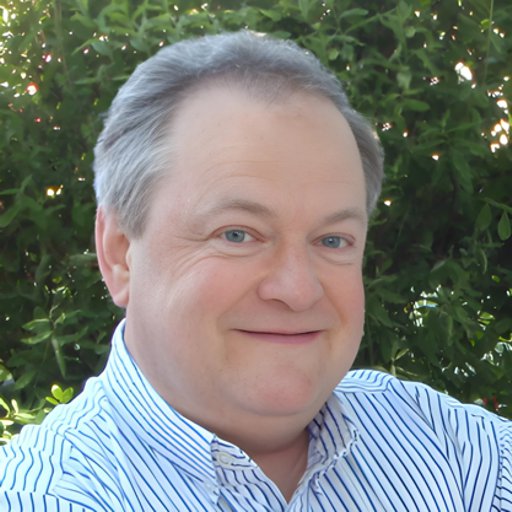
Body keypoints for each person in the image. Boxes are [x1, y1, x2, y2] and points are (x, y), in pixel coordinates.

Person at [0, 30, 510, 512]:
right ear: (119, 254)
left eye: (332, 240)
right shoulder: (43, 497)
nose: (298, 289)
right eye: (237, 234)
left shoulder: (458, 455)